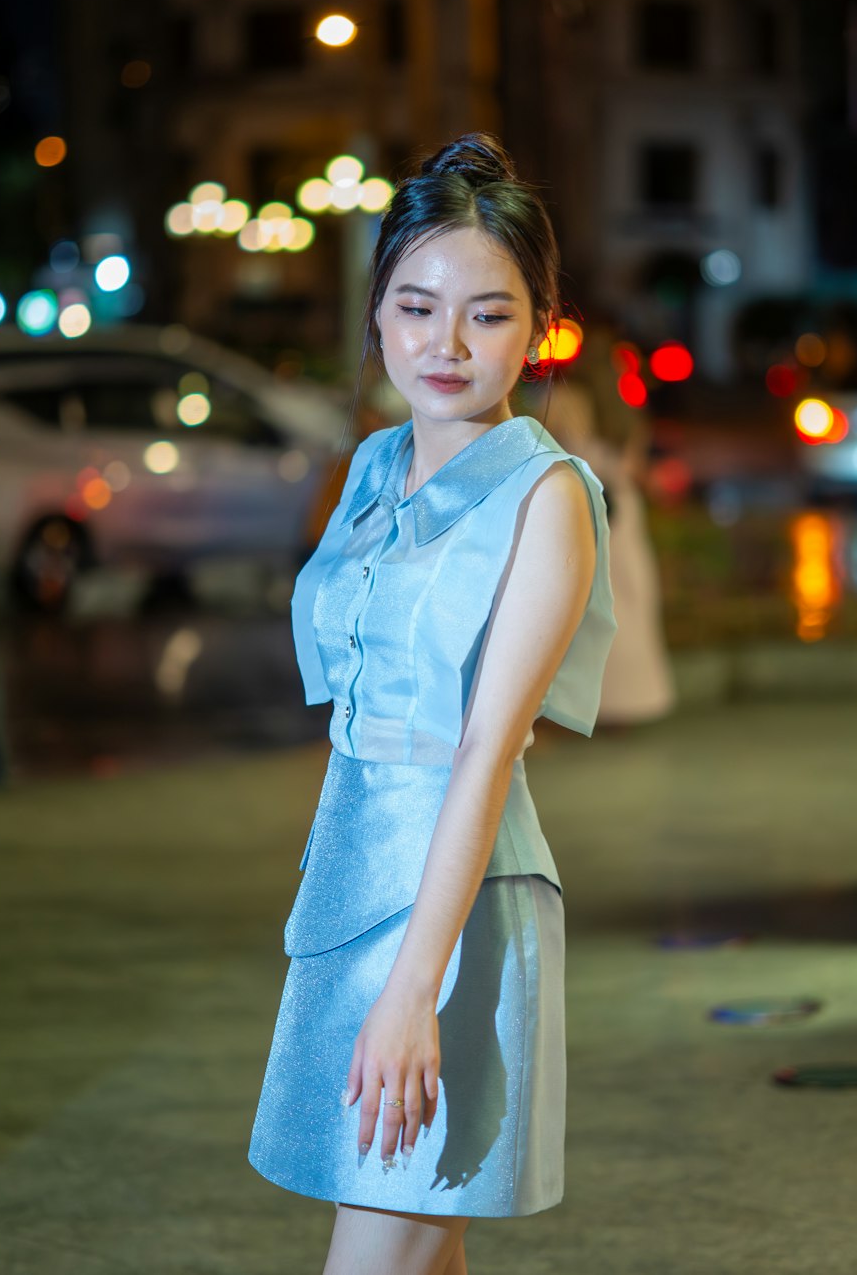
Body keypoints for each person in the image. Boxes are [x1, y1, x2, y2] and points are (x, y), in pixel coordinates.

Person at [247, 133, 617, 1274]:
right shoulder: (368, 466)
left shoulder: (545, 495)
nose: (444, 344)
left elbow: (485, 754)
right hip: (346, 896)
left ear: (540, 323)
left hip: (453, 917)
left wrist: (416, 989)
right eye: (415, 305)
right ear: (376, 314)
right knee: (415, 1244)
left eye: (487, 313)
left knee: (380, 1249)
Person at [541, 322, 676, 726]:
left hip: (583, 504)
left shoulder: (564, 399)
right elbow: (635, 466)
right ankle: (635, 698)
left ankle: (586, 706)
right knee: (629, 599)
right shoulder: (626, 408)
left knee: (583, 603)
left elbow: (554, 452)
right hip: (624, 508)